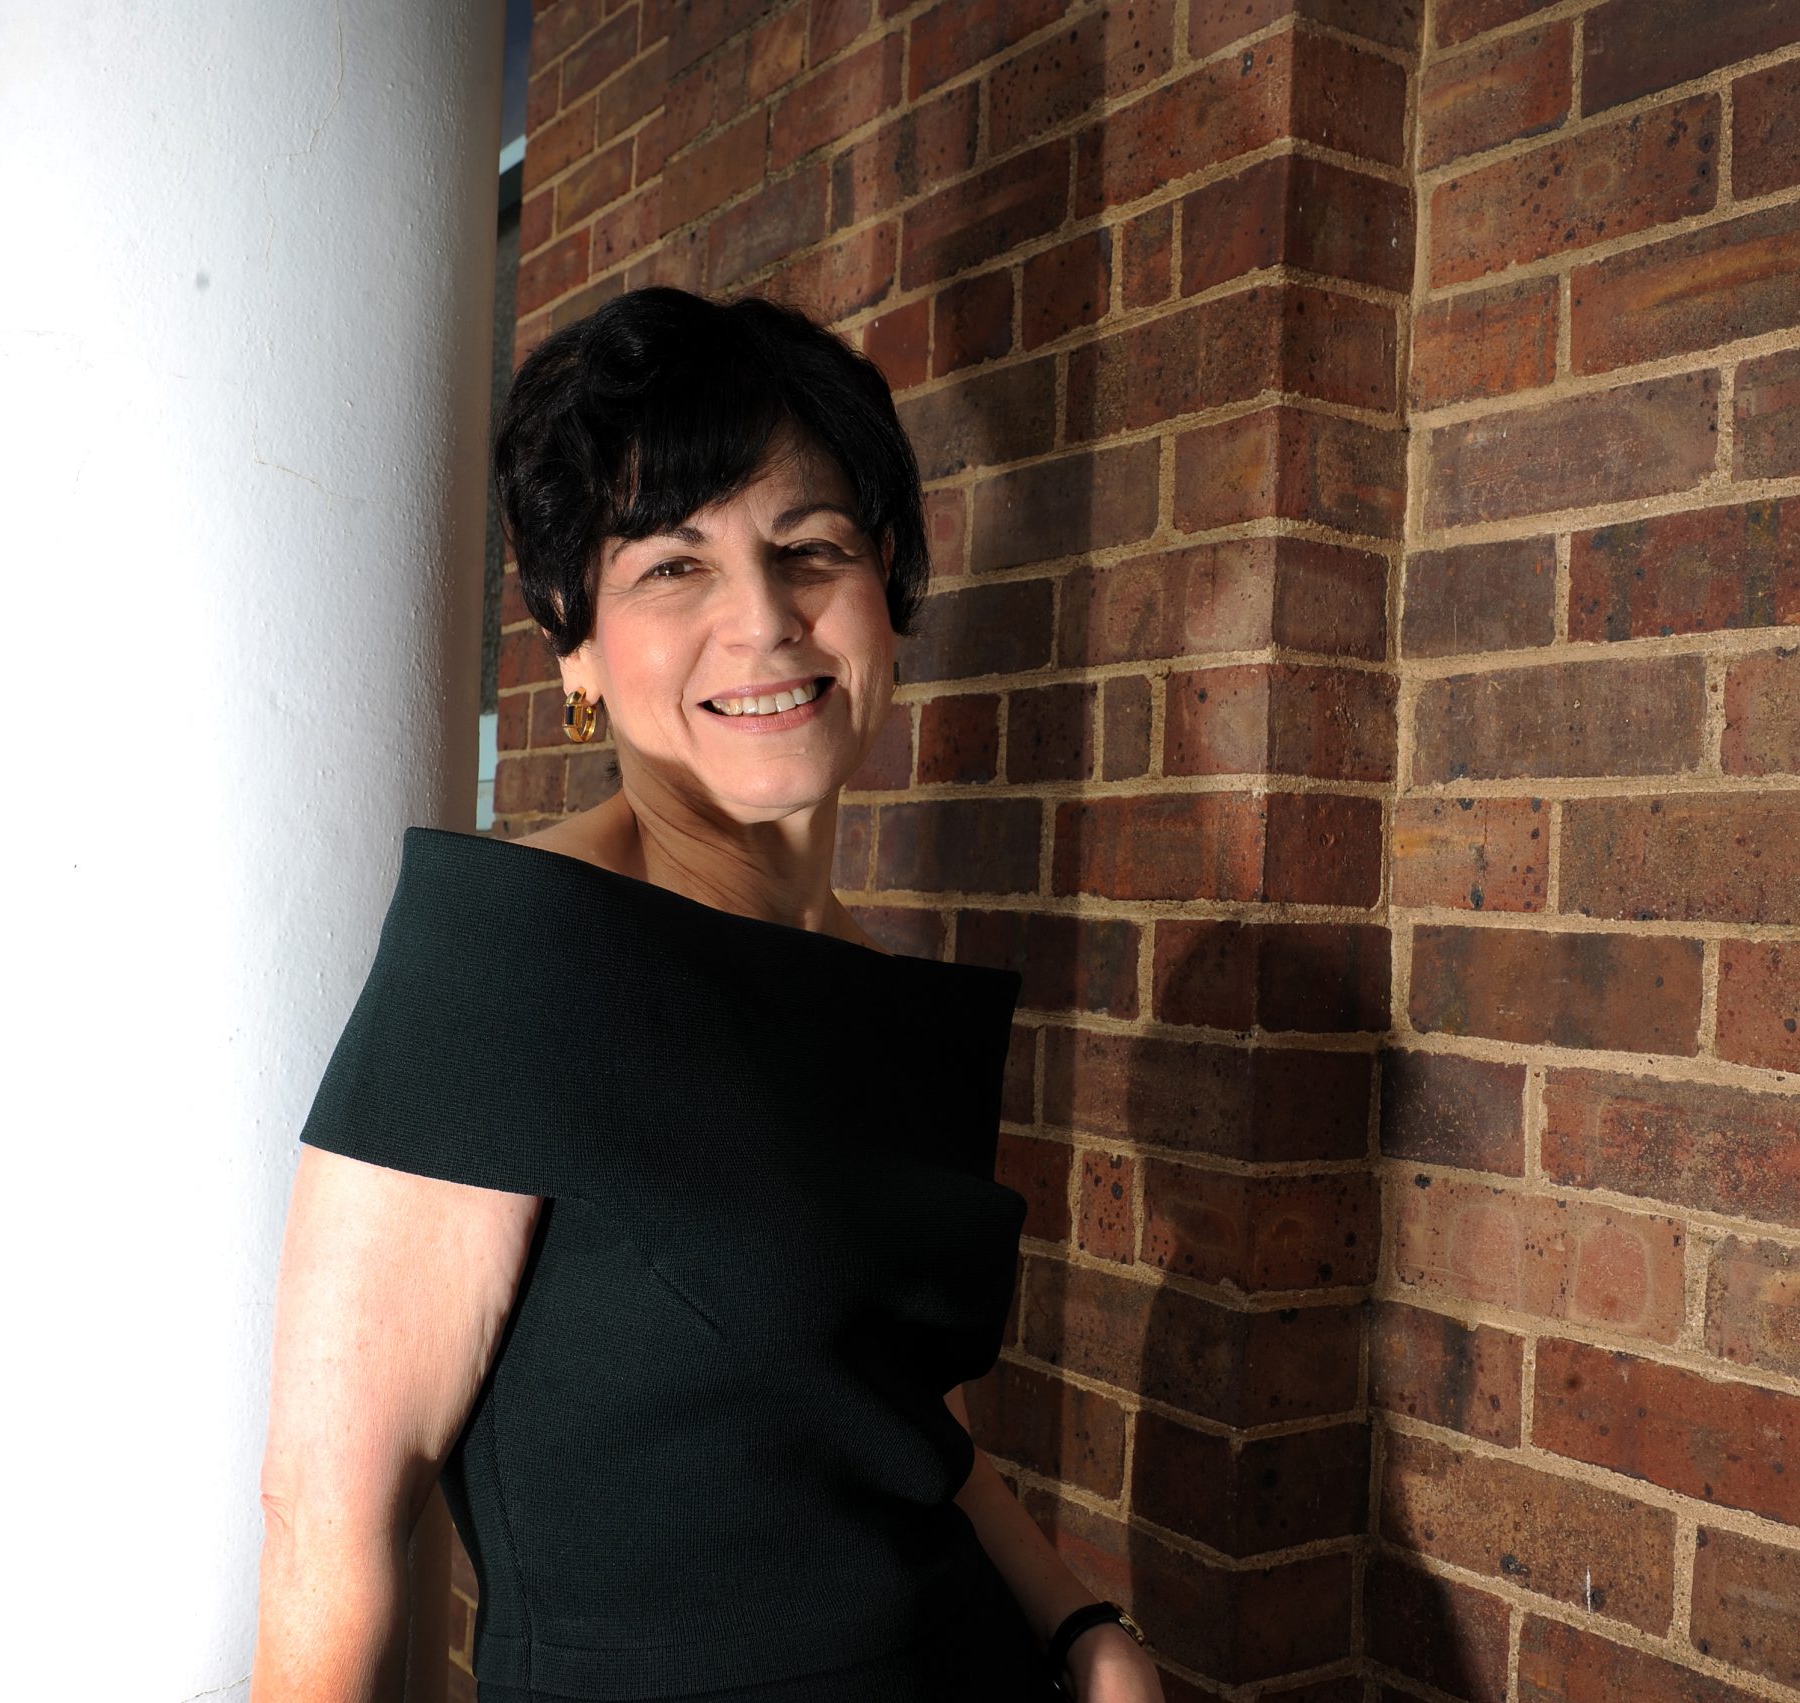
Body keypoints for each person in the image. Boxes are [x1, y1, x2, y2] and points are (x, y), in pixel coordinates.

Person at [251, 286, 1165, 1703]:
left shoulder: (862, 979)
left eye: (811, 548)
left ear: (885, 591)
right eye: (674, 566)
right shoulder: (510, 955)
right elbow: (329, 1530)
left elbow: (883, 1414)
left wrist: (1078, 1628)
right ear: (574, 644)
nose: (764, 619)